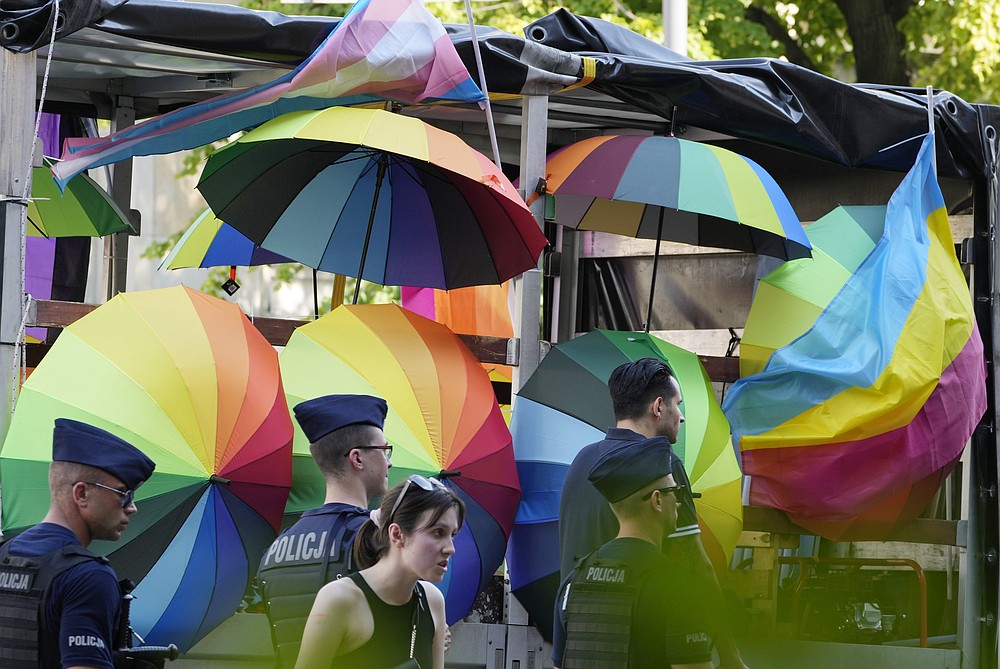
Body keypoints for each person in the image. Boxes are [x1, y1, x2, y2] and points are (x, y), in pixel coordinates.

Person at [557, 358, 748, 669]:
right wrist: (729, 654)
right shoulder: (662, 468)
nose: (681, 416)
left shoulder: (582, 461)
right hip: (642, 645)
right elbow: (696, 566)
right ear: (658, 407)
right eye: (677, 404)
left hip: (581, 641)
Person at [0, 418, 155, 669]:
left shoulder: (4, 554)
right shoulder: (87, 577)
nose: (132, 507)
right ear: (81, 493)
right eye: (124, 493)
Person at [255, 394, 393, 669]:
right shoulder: (373, 537)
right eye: (384, 450)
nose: (389, 462)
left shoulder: (278, 546)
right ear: (358, 458)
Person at [553, 437, 714, 669]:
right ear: (657, 500)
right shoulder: (677, 588)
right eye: (675, 491)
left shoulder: (573, 582)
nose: (678, 502)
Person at [295, 474, 466, 669]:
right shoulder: (340, 598)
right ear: (397, 534)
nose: (450, 548)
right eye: (438, 533)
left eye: (452, 535)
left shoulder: (432, 600)